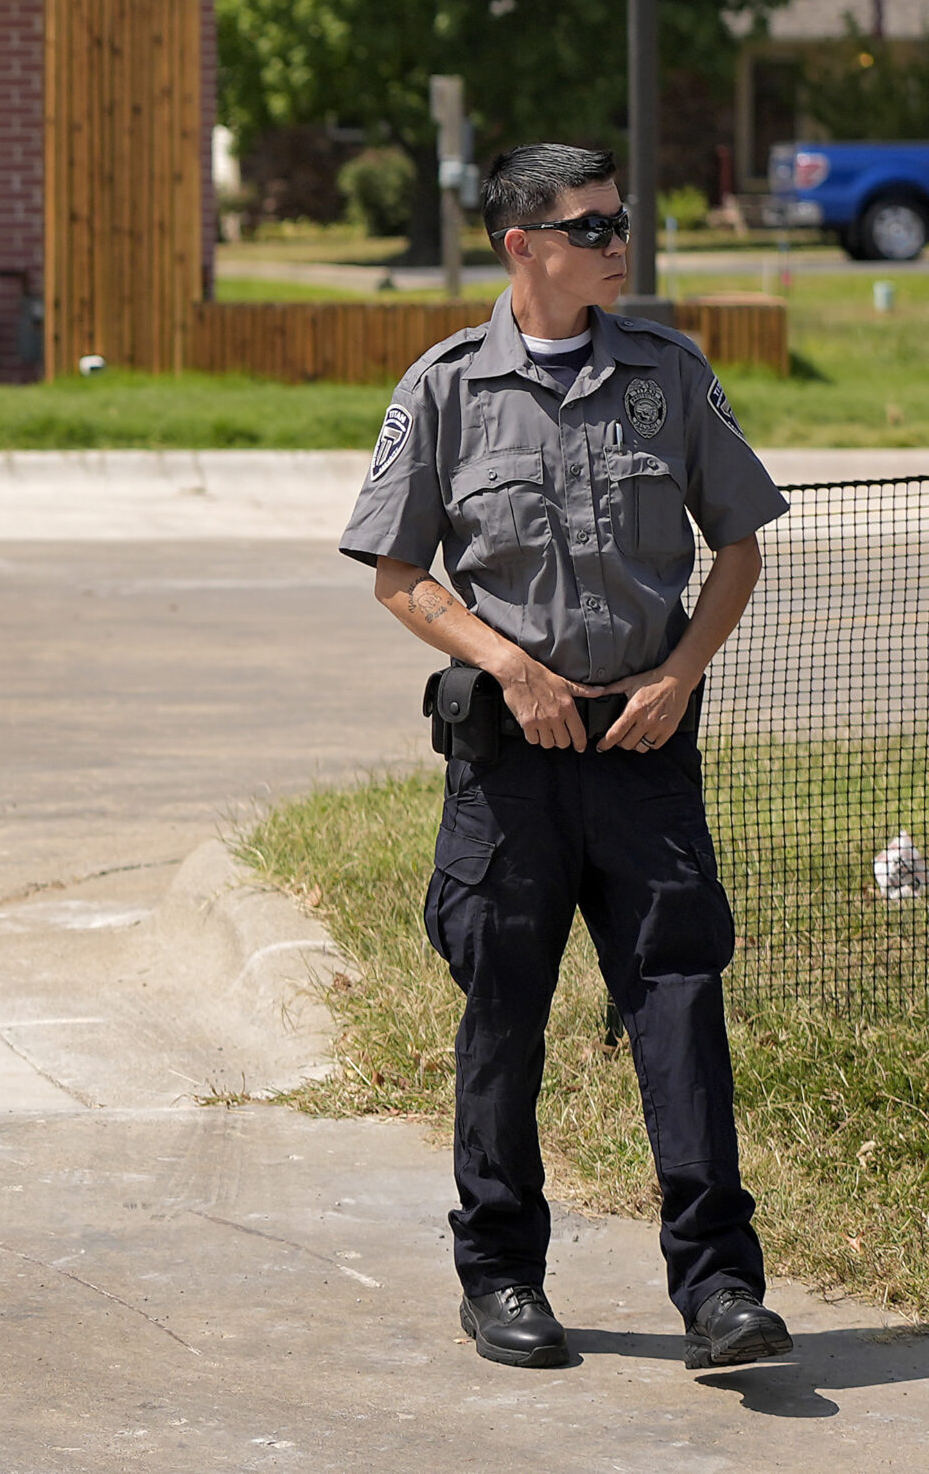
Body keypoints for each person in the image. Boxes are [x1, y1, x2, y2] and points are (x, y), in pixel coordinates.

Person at [339, 143, 795, 1373]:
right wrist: (515, 672)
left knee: (680, 1009)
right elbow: (397, 576)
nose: (615, 242)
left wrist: (676, 674)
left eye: (620, 222)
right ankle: (500, 1279)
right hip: (512, 763)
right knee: (504, 1016)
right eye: (591, 226)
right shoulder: (442, 390)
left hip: (643, 752)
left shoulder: (667, 374)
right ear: (521, 245)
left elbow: (740, 543)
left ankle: (718, 1292)